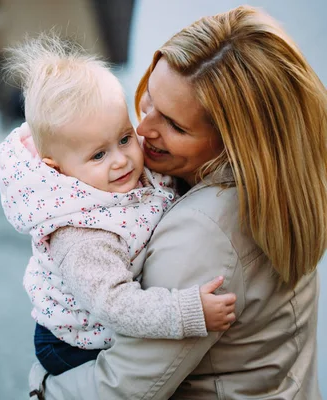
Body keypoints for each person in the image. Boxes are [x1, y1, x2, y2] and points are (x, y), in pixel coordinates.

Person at [28, 5, 326, 399]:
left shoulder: (203, 232)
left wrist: (43, 386)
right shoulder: (281, 187)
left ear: (235, 143)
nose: (143, 129)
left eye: (174, 124)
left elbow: (123, 389)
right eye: (148, 100)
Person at [0, 34, 237, 377]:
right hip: (75, 343)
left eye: (124, 138)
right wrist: (187, 313)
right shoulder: (81, 234)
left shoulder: (124, 172)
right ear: (57, 168)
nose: (122, 160)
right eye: (98, 154)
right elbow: (115, 304)